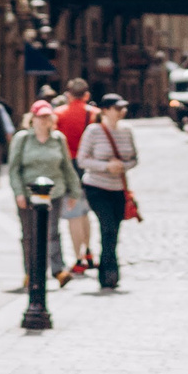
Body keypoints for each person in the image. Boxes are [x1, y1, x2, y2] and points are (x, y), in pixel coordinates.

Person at [6, 101, 88, 285]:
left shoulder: (58, 138)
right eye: (40, 117)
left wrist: (74, 191)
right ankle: (31, 271)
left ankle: (58, 270)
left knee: (52, 232)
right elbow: (14, 169)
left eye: (46, 117)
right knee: (28, 234)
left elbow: (67, 166)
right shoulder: (22, 139)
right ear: (32, 118)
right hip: (28, 195)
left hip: (54, 192)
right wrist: (19, 192)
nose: (43, 121)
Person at [77, 94, 140, 290]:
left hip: (118, 189)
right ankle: (110, 273)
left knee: (114, 231)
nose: (122, 111)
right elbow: (82, 160)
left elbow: (135, 158)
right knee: (108, 227)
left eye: (123, 107)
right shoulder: (93, 131)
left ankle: (107, 270)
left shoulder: (127, 131)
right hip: (96, 187)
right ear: (105, 110)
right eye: (117, 108)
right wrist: (106, 167)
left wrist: (122, 166)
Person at [53, 78, 96, 277]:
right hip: (92, 168)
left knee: (74, 214)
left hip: (69, 167)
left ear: (68, 95)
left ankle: (78, 259)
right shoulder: (95, 115)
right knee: (85, 213)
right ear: (87, 95)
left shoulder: (59, 114)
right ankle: (88, 252)